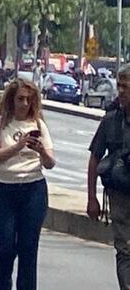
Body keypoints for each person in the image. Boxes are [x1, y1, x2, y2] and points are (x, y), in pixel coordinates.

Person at [0, 79, 55, 290]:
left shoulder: (39, 125)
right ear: (11, 100)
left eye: (29, 100)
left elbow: (50, 162)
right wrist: (19, 145)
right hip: (4, 189)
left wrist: (41, 150)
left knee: (28, 248)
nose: (24, 104)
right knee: (5, 247)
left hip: (33, 189)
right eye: (20, 99)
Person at [86, 66, 130, 288]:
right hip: (119, 194)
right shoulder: (111, 120)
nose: (121, 91)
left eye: (126, 87)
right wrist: (92, 198)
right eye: (119, 86)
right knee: (124, 250)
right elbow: (94, 158)